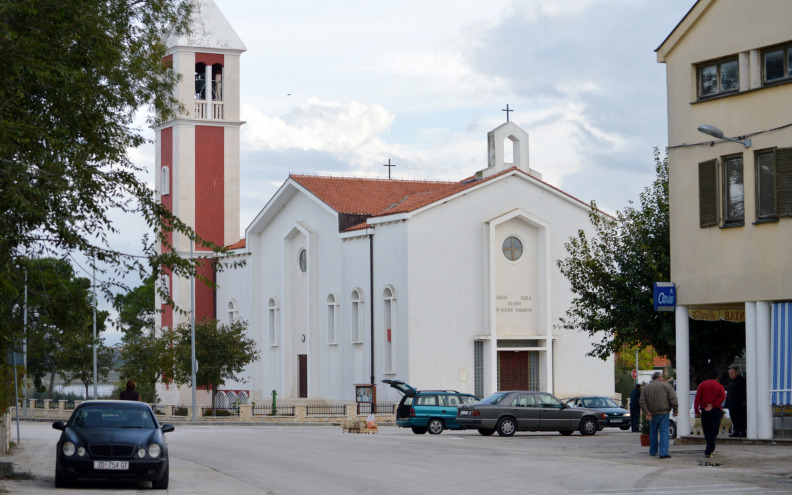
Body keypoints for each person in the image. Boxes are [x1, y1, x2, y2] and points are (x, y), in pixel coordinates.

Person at [639, 371, 679, 459]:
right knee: (664, 432)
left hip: (652, 413)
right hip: (664, 413)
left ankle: (653, 451)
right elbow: (673, 399)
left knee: (653, 432)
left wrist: (647, 412)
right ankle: (663, 453)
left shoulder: (646, 388)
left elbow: (642, 401)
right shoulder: (667, 386)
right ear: (660, 377)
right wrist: (675, 410)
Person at [694, 370, 726, 458]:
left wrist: (696, 411)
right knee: (713, 431)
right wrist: (713, 404)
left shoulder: (702, 385)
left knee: (707, 431)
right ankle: (709, 450)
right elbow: (723, 397)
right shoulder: (719, 386)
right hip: (715, 410)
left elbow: (697, 399)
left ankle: (710, 448)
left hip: (705, 410)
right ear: (717, 378)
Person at [726, 365, 747, 437]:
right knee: (734, 417)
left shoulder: (742, 380)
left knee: (741, 418)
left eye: (732, 373)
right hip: (731, 404)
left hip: (740, 404)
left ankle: (742, 431)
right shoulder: (730, 382)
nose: (731, 375)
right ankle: (736, 431)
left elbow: (744, 391)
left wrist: (744, 400)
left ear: (736, 373)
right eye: (730, 373)